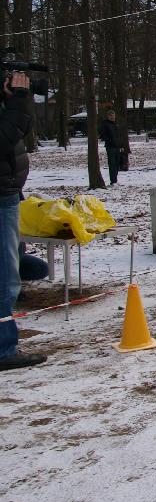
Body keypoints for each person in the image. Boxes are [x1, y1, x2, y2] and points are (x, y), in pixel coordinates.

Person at [0, 70, 46, 370]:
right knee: (6, 278)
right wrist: (17, 101)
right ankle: (4, 349)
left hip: (8, 193)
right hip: (2, 196)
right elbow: (5, 139)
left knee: (19, 268)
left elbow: (19, 130)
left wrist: (14, 102)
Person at [98, 109, 125, 185]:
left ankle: (115, 179)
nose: (112, 117)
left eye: (113, 115)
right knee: (112, 164)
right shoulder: (105, 124)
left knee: (117, 163)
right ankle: (113, 181)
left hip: (117, 147)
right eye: (111, 115)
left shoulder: (116, 124)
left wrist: (121, 145)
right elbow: (102, 134)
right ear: (108, 116)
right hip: (110, 147)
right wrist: (108, 139)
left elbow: (119, 136)